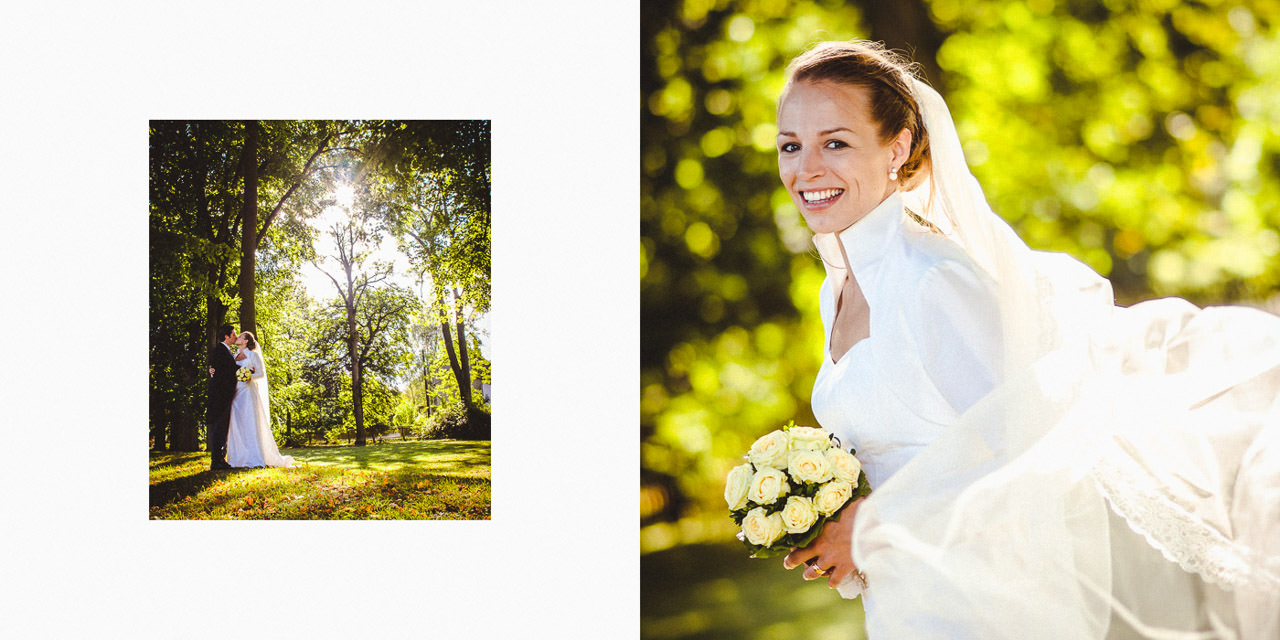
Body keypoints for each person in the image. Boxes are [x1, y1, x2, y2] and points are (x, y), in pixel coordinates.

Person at [771, 40, 1280, 639]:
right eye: (790, 146)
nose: (806, 169)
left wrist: (874, 525)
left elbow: (1032, 442)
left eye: (836, 142)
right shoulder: (837, 289)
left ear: (898, 146)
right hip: (909, 598)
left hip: (988, 602)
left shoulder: (933, 278)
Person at [226, 331, 294, 468]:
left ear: (245, 341)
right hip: (235, 392)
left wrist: (248, 376)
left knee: (249, 422)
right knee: (237, 424)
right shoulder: (234, 356)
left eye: (240, 336)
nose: (237, 337)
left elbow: (261, 373)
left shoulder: (253, 354)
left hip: (247, 392)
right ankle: (237, 458)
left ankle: (253, 457)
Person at [206, 323, 239, 471]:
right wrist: (246, 370)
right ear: (226, 336)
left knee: (223, 427)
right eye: (233, 334)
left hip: (224, 395)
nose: (235, 337)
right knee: (218, 427)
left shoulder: (226, 351)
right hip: (219, 395)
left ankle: (220, 459)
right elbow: (228, 370)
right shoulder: (220, 350)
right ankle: (216, 461)